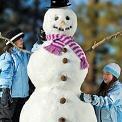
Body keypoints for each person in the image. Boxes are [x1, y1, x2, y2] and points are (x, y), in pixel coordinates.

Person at [0, 28, 30, 122]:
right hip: (11, 97)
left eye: (22, 38)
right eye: (19, 39)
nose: (22, 40)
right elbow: (5, 76)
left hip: (24, 96)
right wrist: (5, 91)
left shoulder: (26, 56)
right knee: (6, 119)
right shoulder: (8, 56)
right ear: (12, 42)